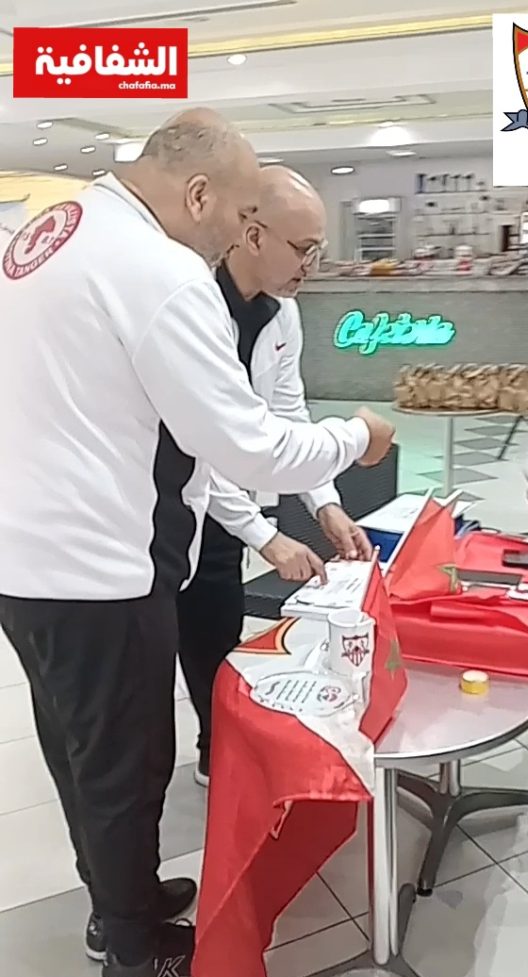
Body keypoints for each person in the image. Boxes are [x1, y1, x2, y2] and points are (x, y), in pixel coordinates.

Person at [0, 108, 394, 977]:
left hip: (25, 555)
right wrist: (357, 436)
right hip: (98, 564)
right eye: (240, 213)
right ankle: (132, 944)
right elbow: (246, 447)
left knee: (77, 746)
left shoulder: (53, 230)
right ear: (200, 193)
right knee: (127, 759)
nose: (236, 235)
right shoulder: (161, 270)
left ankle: (120, 900)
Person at [177, 165, 373, 785]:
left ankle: (222, 743)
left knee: (220, 618)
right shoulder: (192, 302)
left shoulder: (282, 312)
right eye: (302, 248)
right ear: (252, 234)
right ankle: (209, 751)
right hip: (171, 499)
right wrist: (266, 537)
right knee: (189, 627)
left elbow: (287, 414)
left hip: (230, 496)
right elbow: (198, 440)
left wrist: (325, 505)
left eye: (318, 250)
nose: (310, 265)